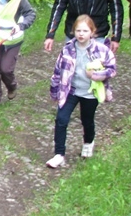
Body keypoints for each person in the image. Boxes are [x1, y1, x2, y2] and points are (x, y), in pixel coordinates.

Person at [47, 15, 116, 168]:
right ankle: (59, 154)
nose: (81, 34)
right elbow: (58, 71)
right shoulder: (67, 49)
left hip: (90, 93)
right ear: (74, 32)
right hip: (70, 90)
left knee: (87, 120)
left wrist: (97, 76)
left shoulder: (102, 50)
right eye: (78, 30)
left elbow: (112, 70)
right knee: (61, 119)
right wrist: (54, 91)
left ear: (92, 32)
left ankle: (88, 143)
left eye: (85, 30)